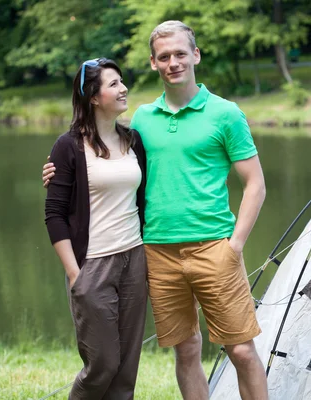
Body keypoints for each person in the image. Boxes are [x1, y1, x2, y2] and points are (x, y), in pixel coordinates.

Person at [43, 21, 268, 400]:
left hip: (215, 246)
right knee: (187, 349)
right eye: (164, 57)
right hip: (157, 253)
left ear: (195, 55)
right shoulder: (143, 121)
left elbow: (256, 184)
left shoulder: (226, 114)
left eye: (181, 54)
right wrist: (57, 170)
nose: (173, 62)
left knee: (242, 350)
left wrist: (235, 246)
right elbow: (101, 153)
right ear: (153, 63)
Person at [44, 58, 147, 399]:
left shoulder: (134, 141)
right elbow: (54, 213)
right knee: (102, 363)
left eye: (122, 82)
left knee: (126, 370)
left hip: (134, 260)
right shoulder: (68, 146)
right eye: (114, 83)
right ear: (92, 96)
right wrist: (75, 274)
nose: (123, 88)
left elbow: (143, 200)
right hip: (92, 265)